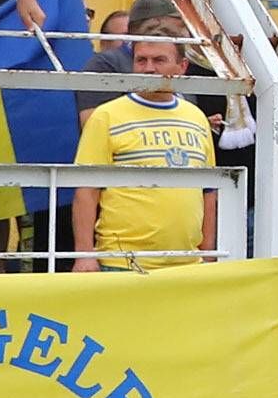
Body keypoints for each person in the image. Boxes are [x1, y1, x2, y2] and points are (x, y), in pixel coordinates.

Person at [69, 17, 217, 268]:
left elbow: (209, 191)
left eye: (159, 60)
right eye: (141, 60)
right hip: (121, 263)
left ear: (182, 66)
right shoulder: (106, 116)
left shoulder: (196, 117)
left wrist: (209, 252)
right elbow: (86, 190)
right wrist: (84, 254)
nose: (149, 68)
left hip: (187, 264)